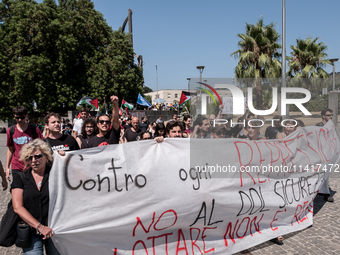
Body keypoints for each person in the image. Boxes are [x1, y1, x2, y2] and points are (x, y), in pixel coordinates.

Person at [11, 139, 60, 254]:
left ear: (46, 157)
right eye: (29, 158)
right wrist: (40, 227)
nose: (33, 160)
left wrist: (64, 158)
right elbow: (18, 207)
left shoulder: (56, 174)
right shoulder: (21, 177)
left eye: (38, 156)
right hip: (31, 230)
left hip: (55, 229)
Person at [6, 105, 43, 181]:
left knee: (30, 191)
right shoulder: (11, 130)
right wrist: (7, 167)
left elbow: (42, 147)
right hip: (16, 165)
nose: (19, 120)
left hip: (32, 165)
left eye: (22, 117)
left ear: (26, 116)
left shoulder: (34, 130)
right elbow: (10, 149)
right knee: (17, 189)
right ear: (14, 116)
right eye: (17, 118)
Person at [315, 108, 334, 202]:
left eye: (331, 115)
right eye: (329, 115)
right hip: (319, 153)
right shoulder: (318, 126)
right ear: (323, 116)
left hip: (327, 153)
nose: (331, 117)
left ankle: (326, 193)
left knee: (326, 173)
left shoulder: (331, 126)